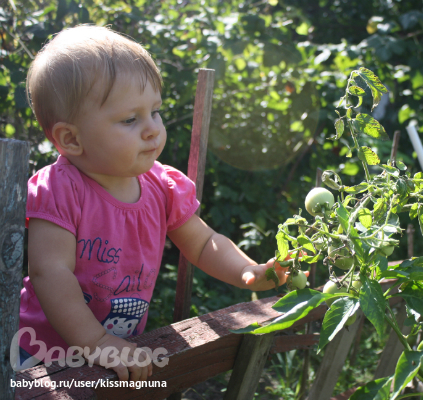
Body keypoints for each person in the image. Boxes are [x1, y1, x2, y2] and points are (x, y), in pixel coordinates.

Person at [19, 24, 300, 384]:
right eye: (130, 119)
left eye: (155, 111)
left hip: (116, 351)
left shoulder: (161, 186)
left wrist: (248, 271)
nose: (152, 128)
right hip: (41, 357)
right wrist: (97, 342)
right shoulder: (60, 189)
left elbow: (203, 242)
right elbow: (50, 273)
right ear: (71, 139)